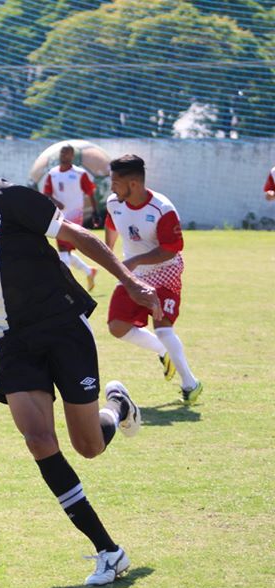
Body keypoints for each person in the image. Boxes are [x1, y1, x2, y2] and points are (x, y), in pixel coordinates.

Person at [0, 135, 162, 586]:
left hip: (62, 327)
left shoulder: (5, 198)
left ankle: (116, 407)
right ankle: (108, 551)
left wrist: (131, 281)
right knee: (38, 440)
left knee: (89, 446)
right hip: (11, 340)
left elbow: (76, 236)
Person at [105, 154, 203, 405]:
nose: (112, 187)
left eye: (116, 182)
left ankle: (190, 384)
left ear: (134, 184)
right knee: (117, 326)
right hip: (133, 274)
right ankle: (163, 352)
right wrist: (108, 252)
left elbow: (172, 248)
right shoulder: (114, 203)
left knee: (162, 326)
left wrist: (135, 260)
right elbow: (113, 224)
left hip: (165, 271)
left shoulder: (162, 209)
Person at [42, 144, 99, 290]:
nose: (63, 155)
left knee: (62, 248)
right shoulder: (52, 173)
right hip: (58, 215)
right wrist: (56, 202)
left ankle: (65, 284)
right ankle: (89, 271)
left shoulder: (80, 173)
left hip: (74, 216)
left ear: (72, 156)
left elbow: (91, 193)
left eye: (67, 153)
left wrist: (95, 212)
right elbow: (46, 193)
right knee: (65, 250)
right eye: (62, 152)